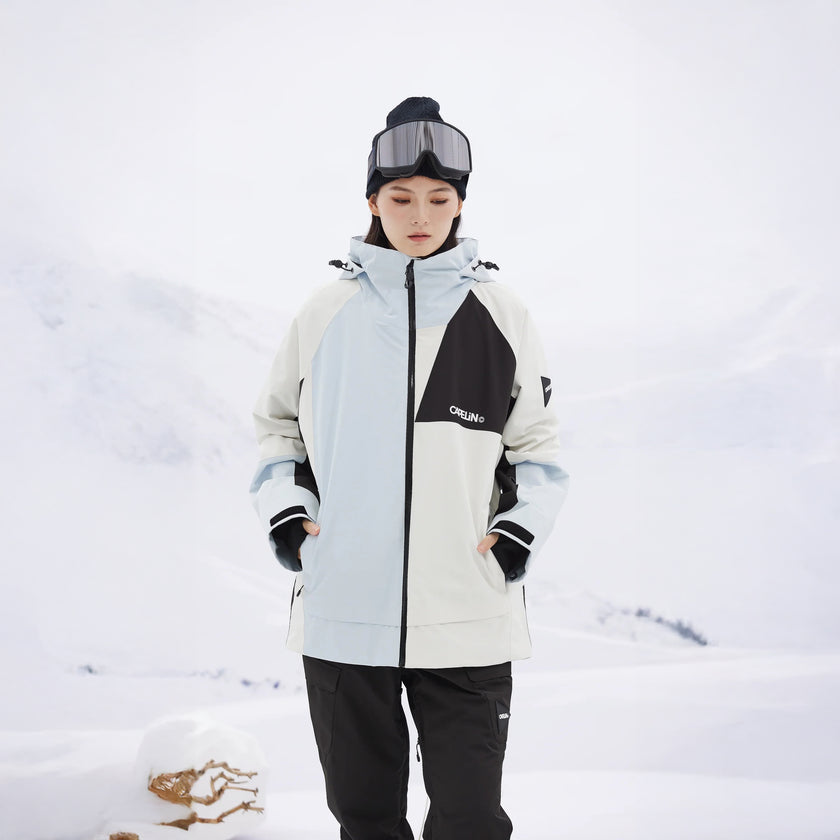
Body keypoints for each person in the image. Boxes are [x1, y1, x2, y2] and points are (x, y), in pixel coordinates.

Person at [250, 96, 569, 840]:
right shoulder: (324, 313)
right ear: (372, 202)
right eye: (400, 198)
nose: (420, 215)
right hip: (343, 609)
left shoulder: (500, 313)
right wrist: (290, 514)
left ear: (460, 205)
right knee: (364, 817)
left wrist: (517, 532)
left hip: (467, 611)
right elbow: (276, 428)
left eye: (438, 198)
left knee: (469, 818)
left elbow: (536, 447)